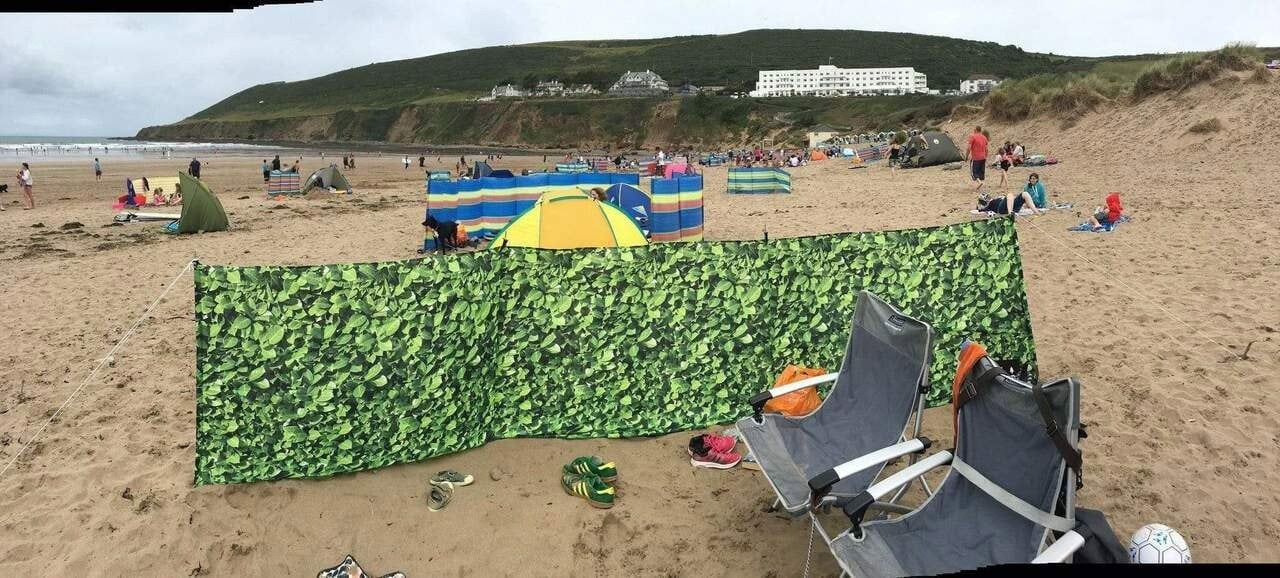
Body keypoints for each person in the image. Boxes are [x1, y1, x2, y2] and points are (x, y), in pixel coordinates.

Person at [976, 190, 1041, 216]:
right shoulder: (989, 205)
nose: (988, 197)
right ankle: (1010, 214)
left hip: (1012, 207)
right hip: (1001, 210)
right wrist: (979, 207)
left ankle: (1036, 212)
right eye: (986, 197)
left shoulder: (996, 198)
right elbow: (980, 210)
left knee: (1025, 193)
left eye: (988, 196)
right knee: (1010, 194)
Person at [964, 126, 988, 193]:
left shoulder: (972, 136)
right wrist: (986, 156)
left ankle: (979, 183)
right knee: (980, 172)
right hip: (983, 157)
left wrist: (966, 157)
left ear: (976, 130)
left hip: (975, 158)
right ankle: (979, 186)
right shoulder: (984, 137)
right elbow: (986, 149)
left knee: (974, 173)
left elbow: (968, 148)